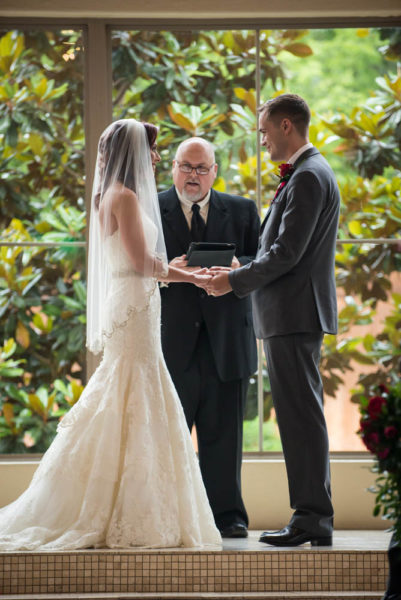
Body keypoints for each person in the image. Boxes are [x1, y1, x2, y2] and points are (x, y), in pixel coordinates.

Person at [0, 119, 221, 550]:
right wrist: (191, 276)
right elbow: (142, 263)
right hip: (135, 305)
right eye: (152, 149)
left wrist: (172, 268)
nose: (156, 157)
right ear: (134, 152)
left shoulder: (108, 195)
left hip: (133, 300)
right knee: (133, 386)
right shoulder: (125, 197)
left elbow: (135, 259)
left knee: (126, 387)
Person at [207, 94, 339, 547]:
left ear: (286, 126)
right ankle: (313, 516)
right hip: (292, 313)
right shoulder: (308, 172)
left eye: (264, 131)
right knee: (302, 415)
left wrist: (233, 281)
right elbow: (281, 250)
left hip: (294, 313)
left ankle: (312, 517)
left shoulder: (308, 176)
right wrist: (241, 269)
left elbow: (287, 253)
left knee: (301, 418)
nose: (261, 140)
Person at [158, 137, 260, 538]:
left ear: (215, 171)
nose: (193, 176)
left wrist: (237, 267)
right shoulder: (151, 208)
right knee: (169, 441)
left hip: (227, 341)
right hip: (171, 343)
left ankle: (228, 516)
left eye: (202, 168)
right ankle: (171, 518)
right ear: (173, 167)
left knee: (225, 438)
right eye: (186, 166)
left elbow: (263, 261)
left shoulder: (242, 209)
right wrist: (167, 269)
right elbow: (134, 266)